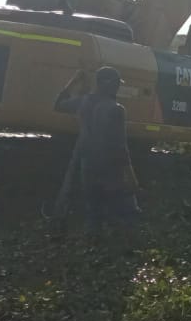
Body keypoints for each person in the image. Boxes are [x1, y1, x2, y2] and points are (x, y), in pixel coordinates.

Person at [54, 66, 141, 233]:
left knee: (94, 213)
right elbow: (121, 146)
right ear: (112, 85)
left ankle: (93, 244)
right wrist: (131, 175)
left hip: (87, 163)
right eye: (117, 84)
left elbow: (58, 105)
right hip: (110, 167)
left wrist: (72, 82)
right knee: (128, 212)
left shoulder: (83, 101)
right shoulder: (116, 109)